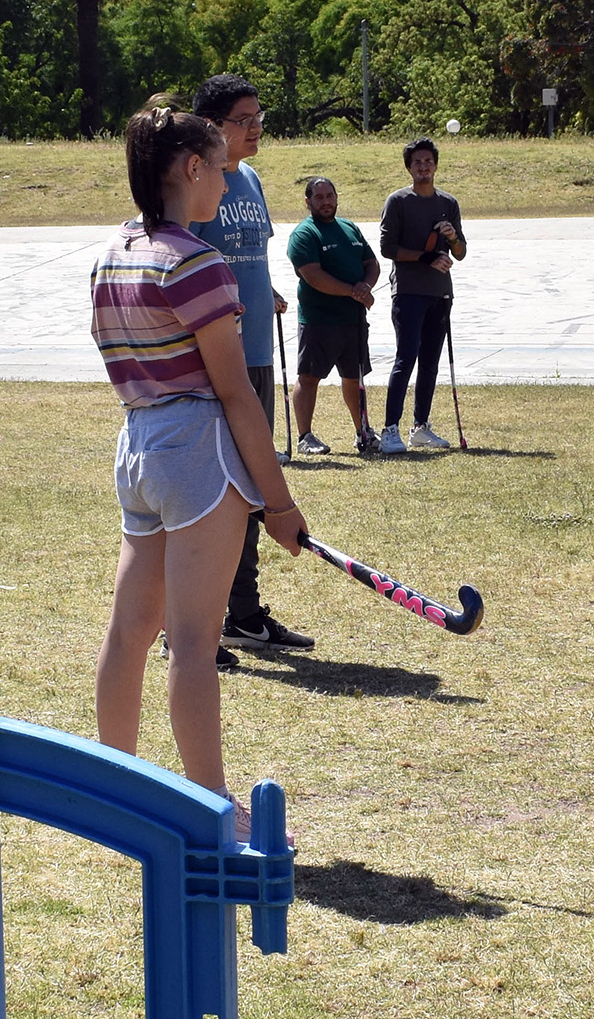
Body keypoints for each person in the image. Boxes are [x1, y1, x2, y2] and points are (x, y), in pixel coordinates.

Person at [89, 100, 306, 842]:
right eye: (219, 166)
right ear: (189, 168)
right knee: (191, 640)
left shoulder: (112, 253)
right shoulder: (196, 262)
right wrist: (278, 503)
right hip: (194, 458)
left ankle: (110, 787)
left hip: (138, 448)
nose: (225, 178)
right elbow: (237, 394)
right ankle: (212, 806)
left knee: (129, 631)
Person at [192, 73, 311, 656]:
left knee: (248, 489)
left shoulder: (253, 178)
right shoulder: (197, 185)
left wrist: (268, 295)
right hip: (219, 361)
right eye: (244, 119)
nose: (256, 126)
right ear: (213, 126)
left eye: (259, 115)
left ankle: (242, 613)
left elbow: (249, 258)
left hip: (258, 353)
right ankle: (192, 621)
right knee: (216, 491)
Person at [375, 139, 466, 453]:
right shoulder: (398, 201)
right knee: (406, 358)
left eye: (428, 162)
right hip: (409, 292)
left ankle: (420, 427)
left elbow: (462, 252)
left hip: (440, 293)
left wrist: (453, 238)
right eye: (417, 163)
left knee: (430, 363)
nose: (424, 167)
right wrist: (425, 258)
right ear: (409, 168)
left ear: (436, 165)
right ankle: (390, 429)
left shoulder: (449, 203)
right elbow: (388, 249)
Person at [284, 174, 380, 456]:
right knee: (309, 376)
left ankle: (363, 431)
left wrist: (365, 287)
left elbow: (371, 263)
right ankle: (305, 437)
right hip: (319, 320)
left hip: (354, 320)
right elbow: (314, 276)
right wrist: (354, 291)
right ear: (308, 201)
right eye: (319, 197)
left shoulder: (349, 228)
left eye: (330, 196)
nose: (326, 202)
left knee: (355, 377)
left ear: (337, 197)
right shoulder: (305, 233)